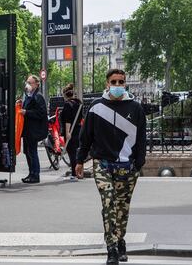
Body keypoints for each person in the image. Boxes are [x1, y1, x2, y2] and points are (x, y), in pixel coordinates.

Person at [76, 69, 146, 265]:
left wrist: (139, 163)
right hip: (103, 164)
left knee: (122, 207)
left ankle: (120, 240)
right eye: (113, 81)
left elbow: (141, 138)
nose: (117, 85)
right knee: (108, 205)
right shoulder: (96, 107)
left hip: (128, 167)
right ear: (107, 84)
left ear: (125, 84)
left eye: (120, 82)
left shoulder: (136, 108)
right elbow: (86, 137)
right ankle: (112, 248)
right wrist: (80, 160)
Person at [20, 75, 47, 184]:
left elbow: (41, 113)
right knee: (28, 151)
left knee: (32, 151)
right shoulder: (29, 96)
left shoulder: (38, 97)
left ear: (36, 84)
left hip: (34, 130)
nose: (28, 84)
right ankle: (31, 173)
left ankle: (35, 174)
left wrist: (26, 112)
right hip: (28, 129)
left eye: (30, 83)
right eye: (27, 82)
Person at [59, 83, 83, 181]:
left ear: (65, 95)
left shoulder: (67, 104)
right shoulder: (79, 103)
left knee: (72, 153)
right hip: (78, 129)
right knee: (77, 152)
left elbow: (68, 120)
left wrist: (68, 132)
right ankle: (79, 172)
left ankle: (74, 173)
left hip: (70, 130)